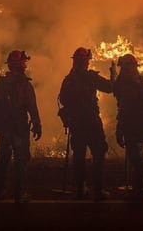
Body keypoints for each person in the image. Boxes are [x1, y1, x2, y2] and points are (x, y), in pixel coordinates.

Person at [58, 47, 115, 201]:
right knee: (98, 153)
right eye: (88, 60)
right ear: (86, 62)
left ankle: (81, 187)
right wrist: (113, 74)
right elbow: (109, 88)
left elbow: (62, 99)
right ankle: (99, 188)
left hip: (76, 123)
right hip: (91, 122)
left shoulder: (68, 79)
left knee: (79, 155)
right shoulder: (90, 77)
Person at [0, 50, 42, 203]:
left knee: (3, 160)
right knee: (21, 160)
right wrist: (37, 125)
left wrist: (0, 125)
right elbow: (32, 106)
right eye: (24, 62)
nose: (25, 65)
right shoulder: (25, 85)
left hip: (5, 128)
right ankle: (20, 193)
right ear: (19, 65)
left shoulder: (0, 84)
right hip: (19, 127)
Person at [112, 53, 143, 203]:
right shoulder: (139, 83)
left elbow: (124, 109)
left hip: (133, 127)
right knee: (138, 159)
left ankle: (139, 193)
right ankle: (139, 190)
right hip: (141, 127)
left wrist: (119, 130)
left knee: (136, 160)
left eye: (124, 68)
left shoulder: (128, 86)